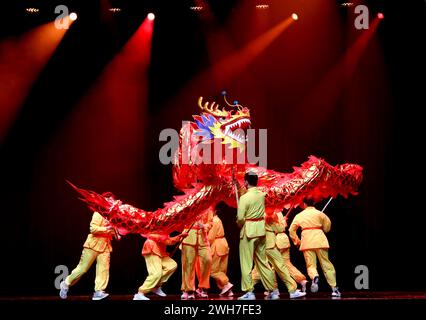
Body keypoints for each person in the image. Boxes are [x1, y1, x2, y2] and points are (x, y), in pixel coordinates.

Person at [236, 171, 278, 300]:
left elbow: (240, 217)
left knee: (246, 262)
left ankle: (249, 291)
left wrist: (238, 222)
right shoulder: (261, 195)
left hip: (248, 231)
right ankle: (272, 290)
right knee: (262, 261)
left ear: (246, 182)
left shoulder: (244, 198)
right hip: (260, 230)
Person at [59, 211, 118, 300]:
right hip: (93, 245)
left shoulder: (112, 218)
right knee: (82, 268)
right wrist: (106, 229)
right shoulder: (98, 214)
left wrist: (116, 232)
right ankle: (66, 283)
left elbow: (114, 232)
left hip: (105, 245)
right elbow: (93, 229)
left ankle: (99, 291)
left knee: (103, 269)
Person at [289, 202, 341, 297]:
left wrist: (297, 241)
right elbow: (327, 227)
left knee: (311, 265)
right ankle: (334, 289)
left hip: (307, 241)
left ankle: (314, 276)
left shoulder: (300, 215)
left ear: (304, 204)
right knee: (326, 264)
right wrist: (321, 226)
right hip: (320, 240)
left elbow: (291, 230)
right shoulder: (320, 214)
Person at [251, 210, 306, 299]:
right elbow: (279, 229)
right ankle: (289, 289)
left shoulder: (257, 212)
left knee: (261, 268)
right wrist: (282, 222)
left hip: (261, 243)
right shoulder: (271, 213)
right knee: (280, 266)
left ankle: (271, 290)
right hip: (270, 243)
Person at [133, 231, 188, 300]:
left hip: (161, 251)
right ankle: (140, 293)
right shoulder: (155, 225)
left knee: (172, 265)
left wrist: (180, 236)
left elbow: (168, 242)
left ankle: (156, 286)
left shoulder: (166, 227)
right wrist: (175, 237)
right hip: (151, 249)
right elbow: (153, 236)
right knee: (156, 273)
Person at [180, 207, 213, 299]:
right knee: (188, 264)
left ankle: (203, 287)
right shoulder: (187, 205)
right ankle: (188, 289)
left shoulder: (208, 207)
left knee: (208, 260)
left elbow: (210, 223)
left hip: (203, 238)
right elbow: (180, 219)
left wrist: (204, 226)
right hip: (189, 237)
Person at [275, 210, 308, 292]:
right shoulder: (279, 212)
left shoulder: (269, 212)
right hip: (284, 238)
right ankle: (301, 280)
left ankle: (272, 288)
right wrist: (283, 221)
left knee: (270, 265)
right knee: (286, 263)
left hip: (275, 239)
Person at [204, 209, 234, 296]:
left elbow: (210, 238)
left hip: (217, 245)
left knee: (213, 271)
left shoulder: (214, 221)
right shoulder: (218, 219)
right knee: (222, 270)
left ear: (214, 212)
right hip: (223, 244)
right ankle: (228, 290)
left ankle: (227, 283)